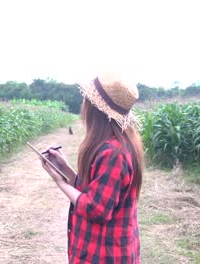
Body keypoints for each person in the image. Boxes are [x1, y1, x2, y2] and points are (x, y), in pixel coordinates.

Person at [40, 71, 144, 263]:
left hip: (104, 254)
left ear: (95, 109)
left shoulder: (113, 152)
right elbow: (97, 191)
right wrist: (65, 170)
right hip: (107, 250)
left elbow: (96, 209)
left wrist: (60, 183)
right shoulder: (116, 144)